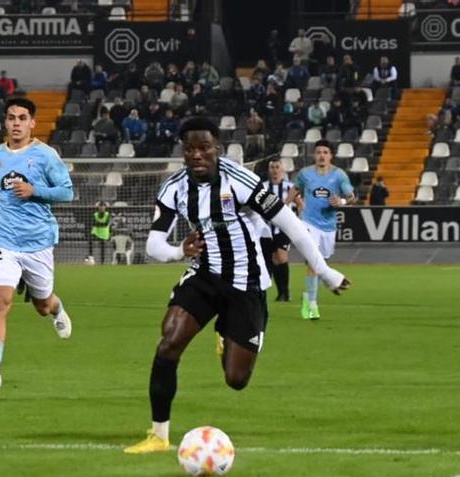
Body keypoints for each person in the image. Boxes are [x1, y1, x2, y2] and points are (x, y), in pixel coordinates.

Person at [123, 117, 350, 454]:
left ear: (217, 149)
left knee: (236, 380)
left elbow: (291, 224)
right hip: (204, 275)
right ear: (183, 153)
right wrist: (177, 252)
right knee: (169, 342)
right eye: (190, 149)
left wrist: (326, 271)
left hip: (247, 282)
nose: (197, 155)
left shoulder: (241, 180)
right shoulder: (174, 188)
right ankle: (158, 434)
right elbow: (153, 244)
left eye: (204, 148)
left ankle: (226, 330)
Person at [0, 97, 74, 389]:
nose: (16, 123)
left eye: (22, 118)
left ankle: (58, 308)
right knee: (0, 300)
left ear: (32, 123)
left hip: (38, 241)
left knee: (42, 305)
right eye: (11, 118)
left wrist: (35, 190)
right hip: (3, 239)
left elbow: (66, 192)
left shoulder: (46, 155)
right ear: (5, 122)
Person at [293, 140, 355, 321]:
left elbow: (351, 197)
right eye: (318, 152)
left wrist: (342, 202)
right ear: (314, 155)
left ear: (331, 155)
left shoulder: (339, 175)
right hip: (309, 222)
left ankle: (310, 294)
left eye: (325, 152)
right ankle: (312, 304)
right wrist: (283, 206)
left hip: (328, 226)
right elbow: (296, 189)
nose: (321, 155)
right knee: (314, 262)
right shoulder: (305, 174)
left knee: (321, 263)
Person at [261, 159, 297, 302]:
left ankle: (285, 292)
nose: (275, 170)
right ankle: (280, 292)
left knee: (281, 257)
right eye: (272, 167)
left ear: (282, 170)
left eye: (277, 167)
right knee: (272, 260)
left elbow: (300, 204)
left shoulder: (290, 187)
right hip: (265, 230)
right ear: (269, 170)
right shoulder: (263, 187)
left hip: (283, 228)